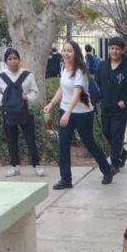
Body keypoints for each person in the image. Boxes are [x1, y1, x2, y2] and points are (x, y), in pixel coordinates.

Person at [43, 40, 113, 190]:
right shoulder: (64, 68)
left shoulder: (80, 70)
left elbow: (77, 93)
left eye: (70, 51)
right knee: (63, 144)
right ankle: (65, 179)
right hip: (65, 111)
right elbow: (62, 89)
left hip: (82, 112)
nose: (66, 53)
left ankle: (107, 170)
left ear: (76, 53)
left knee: (89, 143)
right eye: (64, 50)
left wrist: (67, 113)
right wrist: (51, 104)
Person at [0, 47, 44, 178]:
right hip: (9, 113)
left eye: (15, 58)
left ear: (19, 60)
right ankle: (15, 166)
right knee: (11, 140)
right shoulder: (1, 77)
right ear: (5, 61)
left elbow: (35, 91)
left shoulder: (27, 75)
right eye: (10, 59)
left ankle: (36, 165)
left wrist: (27, 97)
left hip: (26, 112)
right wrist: (4, 100)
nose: (13, 61)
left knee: (30, 139)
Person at [95, 36, 127, 174]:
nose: (114, 51)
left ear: (123, 51)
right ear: (109, 49)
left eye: (117, 49)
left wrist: (125, 102)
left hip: (120, 109)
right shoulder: (102, 66)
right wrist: (99, 100)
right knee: (106, 132)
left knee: (117, 135)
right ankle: (123, 153)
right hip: (106, 107)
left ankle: (114, 163)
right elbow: (97, 85)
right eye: (112, 48)